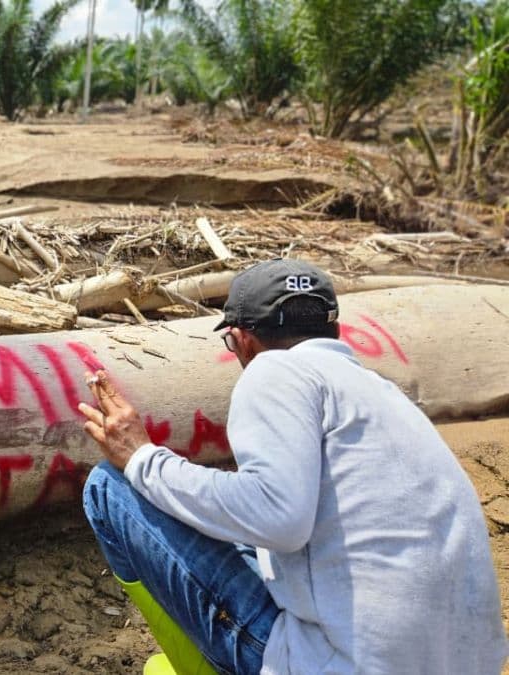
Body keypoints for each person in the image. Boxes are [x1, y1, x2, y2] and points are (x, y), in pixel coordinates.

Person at [78, 259, 507, 675]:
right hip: (463, 663)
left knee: (110, 487)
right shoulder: (381, 392)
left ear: (244, 339)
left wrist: (142, 457)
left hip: (344, 664)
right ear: (332, 329)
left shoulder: (274, 369)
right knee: (238, 536)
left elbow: (279, 519)